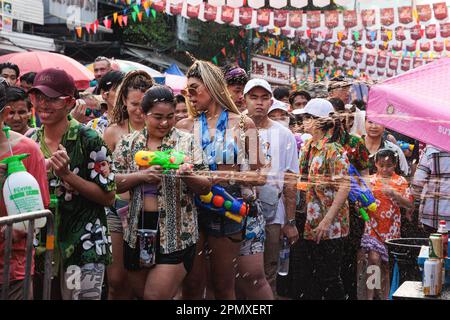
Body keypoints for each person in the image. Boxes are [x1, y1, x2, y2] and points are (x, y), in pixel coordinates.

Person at [112, 85, 211, 299]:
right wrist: (141, 176)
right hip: (136, 233)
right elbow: (112, 183)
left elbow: (206, 185)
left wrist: (187, 175)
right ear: (143, 114)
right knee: (142, 294)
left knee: (154, 297)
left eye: (170, 116)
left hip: (176, 235)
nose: (164, 123)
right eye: (157, 117)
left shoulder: (186, 142)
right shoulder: (129, 144)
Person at [178, 60, 265, 300]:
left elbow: (261, 175)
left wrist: (221, 176)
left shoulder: (242, 124)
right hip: (190, 208)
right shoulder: (184, 126)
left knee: (223, 285)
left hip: (225, 206)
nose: (190, 95)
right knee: (193, 284)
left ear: (212, 86)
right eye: (187, 91)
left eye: (194, 89)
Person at [29, 68, 116, 300]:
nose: (43, 105)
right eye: (38, 97)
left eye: (52, 99)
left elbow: (108, 197)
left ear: (69, 103)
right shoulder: (30, 142)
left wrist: (67, 175)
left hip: (83, 245)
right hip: (41, 246)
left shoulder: (88, 139)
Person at [241, 79, 299, 299]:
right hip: (237, 211)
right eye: (254, 97)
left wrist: (290, 221)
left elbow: (290, 180)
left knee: (268, 273)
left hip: (273, 214)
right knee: (238, 275)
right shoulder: (234, 128)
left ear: (271, 101)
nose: (259, 103)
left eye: (264, 98)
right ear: (244, 99)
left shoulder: (284, 134)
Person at [103, 70, 153, 300]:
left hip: (150, 213)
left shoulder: (159, 131)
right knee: (116, 279)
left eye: (144, 103)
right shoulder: (113, 132)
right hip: (117, 210)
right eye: (134, 103)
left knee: (142, 278)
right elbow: (104, 177)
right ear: (124, 100)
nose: (139, 109)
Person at [0, 80, 50, 300]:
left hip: (12, 270)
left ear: (4, 113)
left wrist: (19, 228)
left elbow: (39, 212)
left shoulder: (26, 150)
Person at [296, 98, 350, 300]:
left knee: (330, 278)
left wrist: (327, 221)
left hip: (331, 225)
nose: (303, 121)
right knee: (314, 276)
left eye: (307, 117)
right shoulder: (308, 146)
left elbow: (344, 187)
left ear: (318, 121)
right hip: (311, 221)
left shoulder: (333, 150)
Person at [329, 97, 370, 300]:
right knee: (328, 260)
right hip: (324, 209)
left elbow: (364, 176)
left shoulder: (355, 142)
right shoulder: (319, 142)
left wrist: (361, 199)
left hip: (352, 210)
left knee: (348, 259)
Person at [361, 149, 413, 300]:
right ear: (375, 164)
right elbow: (362, 202)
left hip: (391, 228)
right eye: (381, 165)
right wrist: (361, 203)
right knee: (373, 260)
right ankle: (370, 296)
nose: (385, 169)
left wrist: (395, 194)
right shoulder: (370, 180)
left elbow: (409, 205)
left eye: (389, 165)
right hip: (372, 226)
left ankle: (385, 296)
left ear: (395, 165)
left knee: (385, 265)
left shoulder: (400, 181)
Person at [411, 145, 450, 234]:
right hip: (433, 217)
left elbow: (418, 183)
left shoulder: (431, 149)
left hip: (433, 217)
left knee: (434, 246)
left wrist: (412, 201)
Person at [86, 70, 125, 137]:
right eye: (118, 90)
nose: (123, 94)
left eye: (126, 91)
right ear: (104, 94)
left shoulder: (137, 123)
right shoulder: (94, 126)